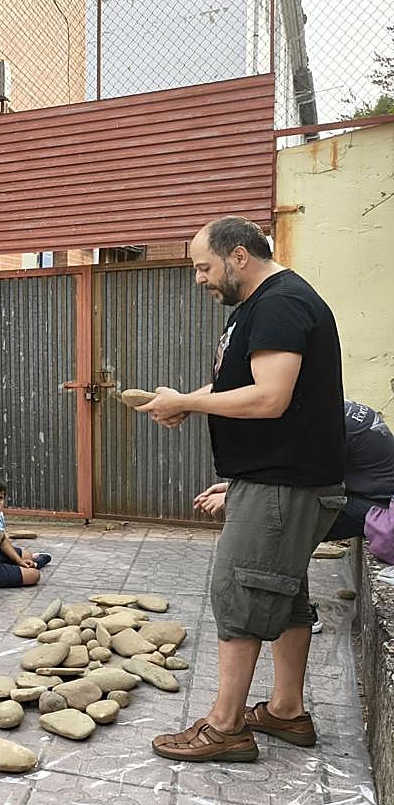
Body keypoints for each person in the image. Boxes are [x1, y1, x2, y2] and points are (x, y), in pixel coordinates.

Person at [137, 216, 346, 763]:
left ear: (237, 256)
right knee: (286, 597)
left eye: (203, 267)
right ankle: (285, 710)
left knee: (238, 595)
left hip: (283, 484)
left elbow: (270, 397)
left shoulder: (279, 302)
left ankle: (226, 726)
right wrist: (182, 399)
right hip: (282, 479)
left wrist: (188, 403)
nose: (199, 279)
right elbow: (240, 387)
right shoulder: (263, 306)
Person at [195, 398, 393, 541]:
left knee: (283, 516)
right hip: (371, 497)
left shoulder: (326, 427)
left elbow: (297, 484)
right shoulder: (326, 407)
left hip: (381, 509)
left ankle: (280, 593)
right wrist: (235, 488)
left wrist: (235, 497)